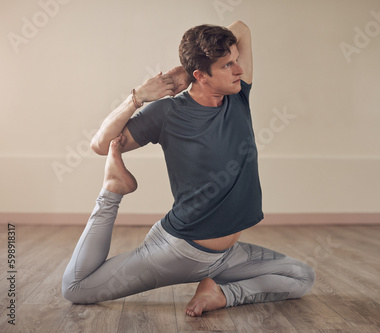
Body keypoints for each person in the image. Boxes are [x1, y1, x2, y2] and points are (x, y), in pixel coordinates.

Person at [62, 21, 315, 317]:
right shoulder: (168, 112)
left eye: (236, 61)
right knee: (77, 287)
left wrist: (183, 69)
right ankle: (112, 190)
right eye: (227, 65)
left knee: (302, 276)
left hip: (227, 255)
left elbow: (242, 28)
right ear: (202, 75)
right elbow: (101, 144)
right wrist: (137, 98)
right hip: (178, 252)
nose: (239, 70)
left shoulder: (238, 96)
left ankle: (219, 293)